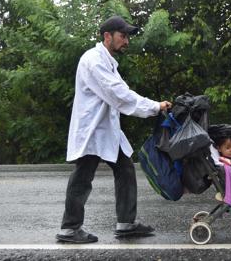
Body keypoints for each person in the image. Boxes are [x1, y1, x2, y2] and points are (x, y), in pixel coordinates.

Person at [56, 16, 172, 244]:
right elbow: (119, 94)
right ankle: (70, 228)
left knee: (126, 169)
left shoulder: (107, 61)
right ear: (107, 36)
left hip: (106, 129)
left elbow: (121, 93)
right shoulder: (94, 60)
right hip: (92, 130)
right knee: (83, 176)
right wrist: (155, 107)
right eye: (123, 35)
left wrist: (153, 106)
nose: (126, 41)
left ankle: (126, 223)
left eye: (127, 36)